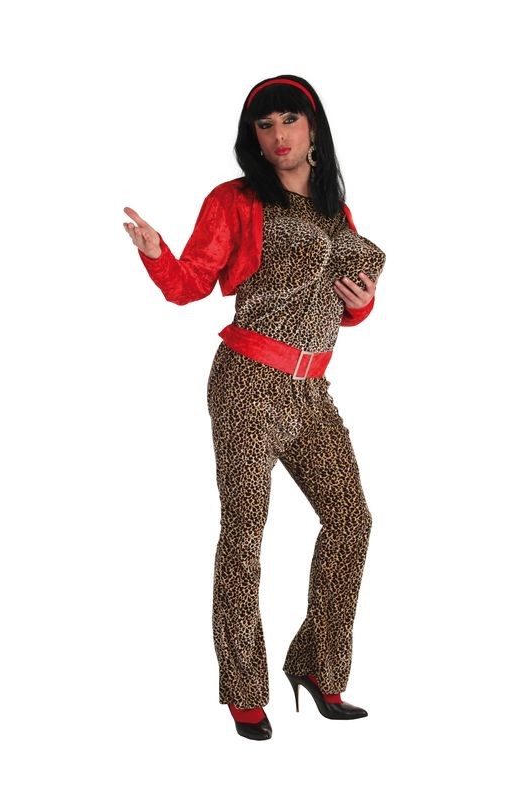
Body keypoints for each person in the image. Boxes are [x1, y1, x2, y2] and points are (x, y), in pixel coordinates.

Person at [123, 74, 386, 741]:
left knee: (351, 522)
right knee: (245, 534)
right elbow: (189, 284)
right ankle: (244, 690)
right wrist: (158, 256)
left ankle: (319, 667)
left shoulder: (333, 208)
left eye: (288, 120)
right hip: (248, 383)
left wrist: (361, 305)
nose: (277, 135)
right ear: (254, 138)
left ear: (313, 128)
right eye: (264, 126)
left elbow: (341, 303)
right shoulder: (236, 199)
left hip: (312, 390)